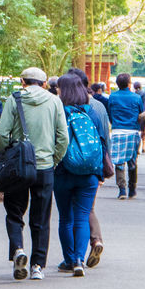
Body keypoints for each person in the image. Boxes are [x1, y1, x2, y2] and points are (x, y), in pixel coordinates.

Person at [0, 67, 67, 281]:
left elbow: (1, 134)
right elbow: (63, 137)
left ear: (23, 82)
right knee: (41, 217)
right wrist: (53, 160)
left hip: (18, 166)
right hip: (44, 167)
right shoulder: (55, 102)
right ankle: (37, 265)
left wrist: (6, 156)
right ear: (45, 84)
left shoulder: (14, 99)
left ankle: (18, 250)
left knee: (14, 212)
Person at [53, 74, 107, 277]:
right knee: (83, 217)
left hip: (63, 172)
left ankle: (68, 260)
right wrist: (100, 172)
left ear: (63, 90)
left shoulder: (59, 112)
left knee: (66, 218)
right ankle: (79, 260)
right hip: (89, 173)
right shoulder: (92, 112)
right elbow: (101, 144)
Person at [106, 73, 142, 200]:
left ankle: (122, 190)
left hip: (117, 131)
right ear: (129, 84)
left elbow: (109, 114)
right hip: (132, 131)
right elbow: (141, 114)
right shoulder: (136, 98)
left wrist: (115, 123)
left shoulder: (113, 97)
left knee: (119, 161)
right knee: (132, 161)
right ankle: (132, 188)